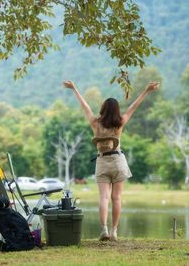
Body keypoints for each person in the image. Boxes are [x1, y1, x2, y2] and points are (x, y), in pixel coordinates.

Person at [63, 80, 159, 241]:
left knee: (104, 198)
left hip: (102, 162)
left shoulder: (95, 123)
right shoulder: (120, 123)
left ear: (103, 109)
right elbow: (133, 107)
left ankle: (104, 230)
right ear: (116, 110)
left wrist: (74, 89)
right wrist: (147, 90)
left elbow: (85, 107)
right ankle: (114, 231)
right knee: (117, 198)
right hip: (118, 161)